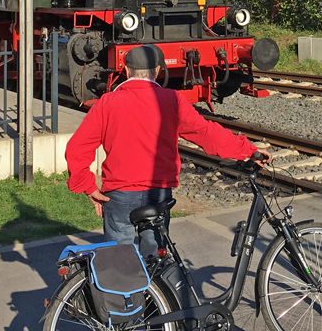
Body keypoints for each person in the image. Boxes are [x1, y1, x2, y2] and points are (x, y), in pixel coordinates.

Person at [65, 44, 271, 255]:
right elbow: (207, 135)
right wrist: (247, 149)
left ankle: (125, 285)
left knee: (119, 263)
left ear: (126, 71)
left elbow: (76, 148)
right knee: (156, 262)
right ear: (157, 71)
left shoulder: (107, 103)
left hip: (120, 194)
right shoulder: (173, 100)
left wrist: (88, 186)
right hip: (158, 194)